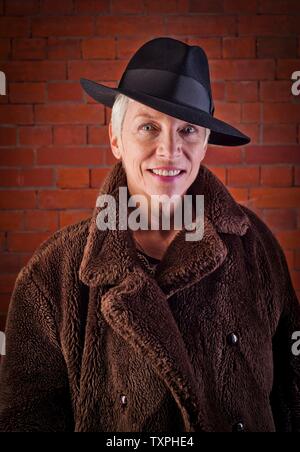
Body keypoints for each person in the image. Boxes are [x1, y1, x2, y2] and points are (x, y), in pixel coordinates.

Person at [0, 37, 299, 432]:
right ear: (115, 139)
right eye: (148, 127)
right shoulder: (51, 275)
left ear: (206, 143)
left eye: (188, 130)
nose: (169, 150)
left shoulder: (255, 246)